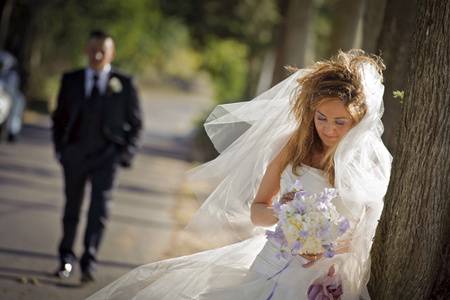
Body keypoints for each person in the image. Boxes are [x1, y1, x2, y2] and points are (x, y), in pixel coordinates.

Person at [87, 49, 391, 299]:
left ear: (358, 121)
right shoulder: (292, 146)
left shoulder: (362, 166)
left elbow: (366, 234)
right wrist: (286, 217)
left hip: (324, 279)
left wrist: (320, 245)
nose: (328, 128)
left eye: (340, 122)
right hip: (272, 263)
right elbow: (258, 212)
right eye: (321, 118)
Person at [51, 30, 142, 283]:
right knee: (72, 208)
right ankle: (65, 258)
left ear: (112, 53)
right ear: (86, 50)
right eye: (93, 49)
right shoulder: (70, 80)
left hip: (107, 157)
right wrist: (60, 149)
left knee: (99, 211)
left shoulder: (125, 83)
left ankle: (89, 261)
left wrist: (125, 154)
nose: (97, 54)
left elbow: (136, 124)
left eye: (103, 50)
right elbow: (58, 118)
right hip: (75, 155)